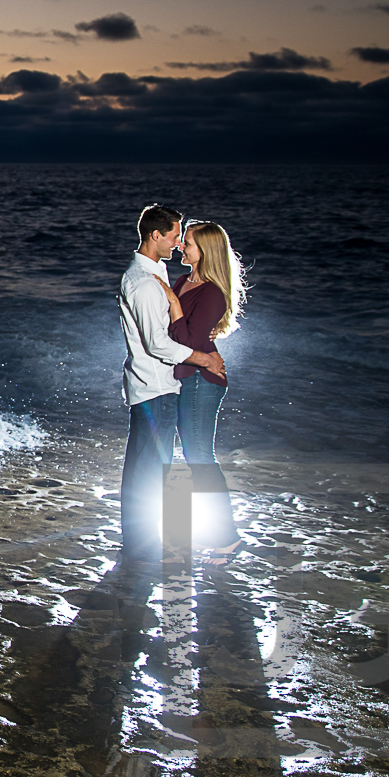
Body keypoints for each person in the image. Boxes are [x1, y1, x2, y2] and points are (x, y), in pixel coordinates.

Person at [117, 205, 224, 564]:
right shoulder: (147, 283)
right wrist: (205, 358)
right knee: (148, 470)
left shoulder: (160, 274)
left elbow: (189, 329)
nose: (178, 244)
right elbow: (159, 344)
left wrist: (202, 349)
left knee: (149, 467)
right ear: (155, 236)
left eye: (184, 239)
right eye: (176, 236)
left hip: (162, 384)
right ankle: (142, 547)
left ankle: (141, 544)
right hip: (157, 385)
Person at [160, 221, 246, 565]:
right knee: (195, 459)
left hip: (200, 382)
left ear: (206, 251)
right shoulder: (184, 280)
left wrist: (173, 304)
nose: (181, 245)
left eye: (189, 243)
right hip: (187, 376)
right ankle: (214, 534)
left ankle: (226, 538)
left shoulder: (211, 291)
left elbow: (189, 341)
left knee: (200, 459)